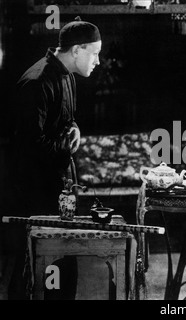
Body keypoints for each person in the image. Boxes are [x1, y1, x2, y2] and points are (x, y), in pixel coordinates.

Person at [1, 16, 101, 299]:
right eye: (94, 54)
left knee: (64, 262)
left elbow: (67, 120)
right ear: (77, 50)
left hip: (57, 185)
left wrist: (75, 130)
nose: (97, 61)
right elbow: (30, 147)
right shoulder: (37, 82)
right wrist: (66, 145)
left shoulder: (67, 73)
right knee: (35, 265)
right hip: (35, 190)